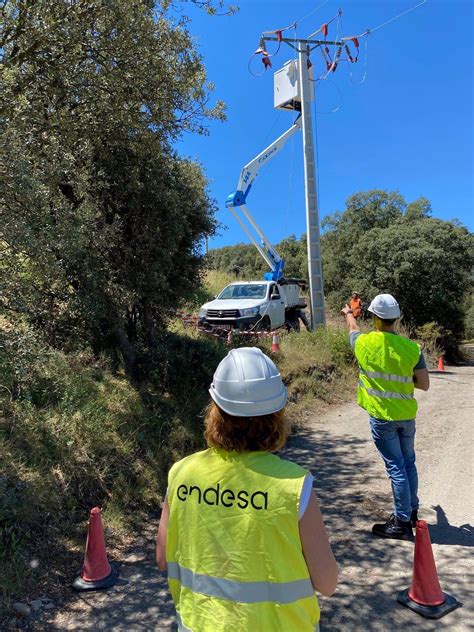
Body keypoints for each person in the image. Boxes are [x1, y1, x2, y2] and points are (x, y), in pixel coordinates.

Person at [156, 347, 338, 631]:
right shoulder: (294, 485)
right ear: (277, 414)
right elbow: (327, 583)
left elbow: (163, 559)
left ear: (215, 410)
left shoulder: (181, 473)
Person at [341, 294, 430, 541]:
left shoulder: (365, 343)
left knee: (396, 467)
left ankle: (401, 522)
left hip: (382, 417)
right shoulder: (412, 349)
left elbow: (353, 331)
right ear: (397, 318)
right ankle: (411, 512)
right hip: (406, 416)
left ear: (375, 318)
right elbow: (424, 384)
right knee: (408, 462)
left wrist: (349, 314)